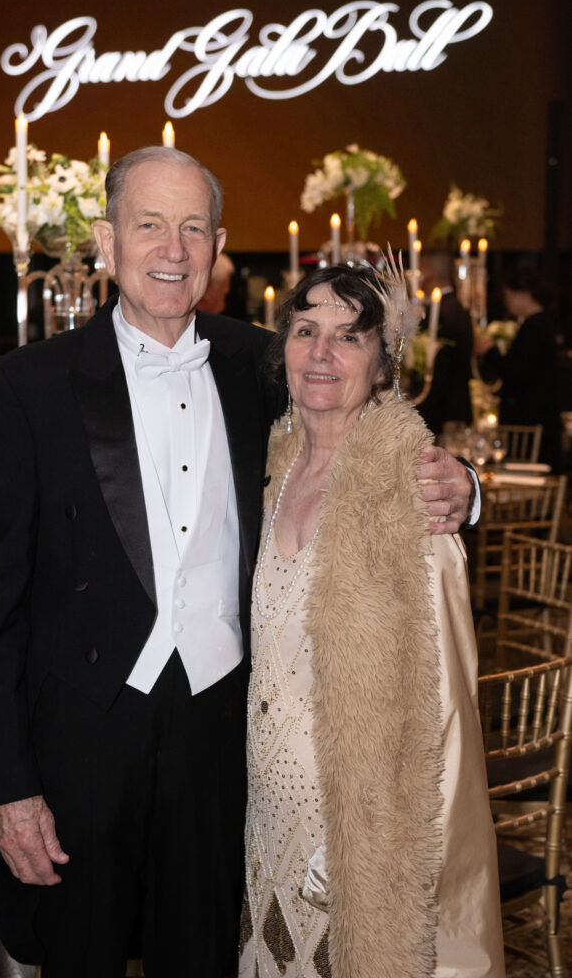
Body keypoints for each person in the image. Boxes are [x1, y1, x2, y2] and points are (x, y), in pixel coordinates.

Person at [0, 147, 477, 978]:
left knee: (204, 954)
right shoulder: (31, 386)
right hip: (79, 744)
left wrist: (468, 485)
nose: (173, 248)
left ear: (218, 245)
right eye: (149, 225)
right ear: (106, 239)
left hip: (220, 735)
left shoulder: (258, 362)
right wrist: (8, 787)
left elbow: (367, 424)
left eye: (193, 228)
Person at [240, 264, 504, 978]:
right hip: (260, 807)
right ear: (282, 349)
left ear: (383, 363)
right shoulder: (264, 465)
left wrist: (385, 843)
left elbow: (445, 714)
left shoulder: (412, 492)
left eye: (348, 337)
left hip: (354, 822)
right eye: (305, 331)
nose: (321, 354)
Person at [477, 265, 563, 472]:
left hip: (531, 419)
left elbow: (518, 372)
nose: (506, 302)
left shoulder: (535, 326)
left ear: (523, 294)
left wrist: (490, 352)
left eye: (508, 295)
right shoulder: (540, 324)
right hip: (538, 417)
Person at [416, 252, 474, 436]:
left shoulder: (440, 312)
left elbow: (442, 366)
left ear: (430, 273)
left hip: (441, 412)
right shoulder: (458, 308)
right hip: (456, 405)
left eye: (420, 271)